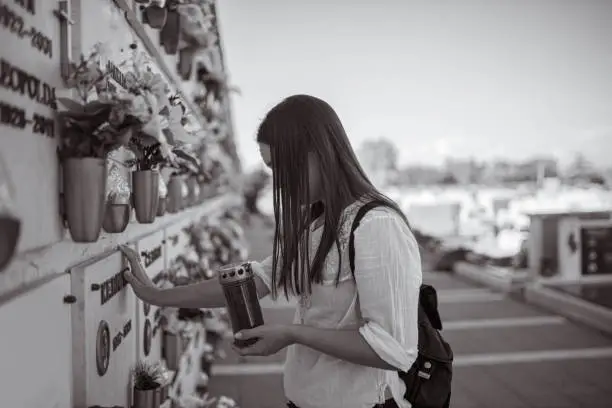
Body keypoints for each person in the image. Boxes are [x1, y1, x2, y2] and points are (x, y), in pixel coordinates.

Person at [121, 94, 422, 408]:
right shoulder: (319, 223)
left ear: (316, 153)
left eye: (280, 167)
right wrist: (157, 295)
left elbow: (394, 348)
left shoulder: (377, 226)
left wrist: (294, 333)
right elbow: (251, 283)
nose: (278, 183)